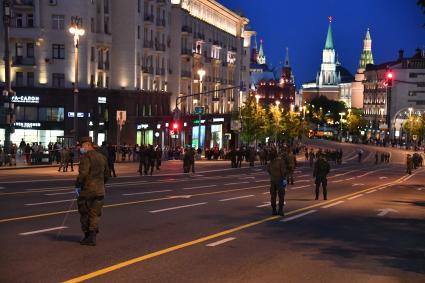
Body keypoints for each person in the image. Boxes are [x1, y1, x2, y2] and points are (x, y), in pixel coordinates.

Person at [75, 137, 109, 246]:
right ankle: (92, 237)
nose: (80, 148)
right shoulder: (102, 157)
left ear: (87, 145)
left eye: (81, 146)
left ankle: (87, 236)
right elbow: (107, 174)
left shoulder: (86, 157)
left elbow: (83, 173)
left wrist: (78, 184)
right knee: (95, 214)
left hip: (87, 190)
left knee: (85, 213)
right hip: (100, 190)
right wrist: (102, 184)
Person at [267, 151, 288, 216]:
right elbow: (283, 172)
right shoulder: (280, 161)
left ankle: (274, 210)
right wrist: (284, 179)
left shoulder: (270, 163)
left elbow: (269, 171)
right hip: (280, 180)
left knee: (273, 196)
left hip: (273, 181)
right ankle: (280, 210)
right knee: (281, 195)